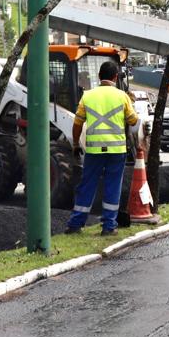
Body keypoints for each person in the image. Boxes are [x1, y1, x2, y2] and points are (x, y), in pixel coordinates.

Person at [65, 61, 139, 236]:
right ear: (115, 77)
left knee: (87, 185)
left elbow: (77, 124)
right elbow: (133, 122)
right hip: (116, 151)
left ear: (99, 77)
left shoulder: (88, 96)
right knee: (112, 186)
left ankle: (76, 224)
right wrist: (131, 104)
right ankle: (108, 226)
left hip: (94, 151)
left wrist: (76, 144)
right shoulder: (122, 96)